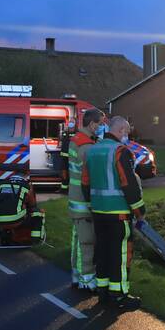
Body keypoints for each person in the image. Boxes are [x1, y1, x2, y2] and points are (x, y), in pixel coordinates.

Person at [81, 116, 144, 310]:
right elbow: (129, 184)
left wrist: (92, 204)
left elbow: (85, 183)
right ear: (122, 131)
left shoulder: (92, 150)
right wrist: (140, 211)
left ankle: (103, 291)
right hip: (119, 213)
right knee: (120, 254)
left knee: (102, 252)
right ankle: (119, 295)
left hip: (98, 212)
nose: (128, 136)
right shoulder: (120, 151)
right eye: (127, 132)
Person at [66, 108, 104, 291]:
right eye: (100, 123)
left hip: (75, 199)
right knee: (87, 241)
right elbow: (91, 175)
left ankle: (76, 275)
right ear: (92, 124)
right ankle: (87, 280)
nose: (101, 127)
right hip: (83, 201)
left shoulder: (77, 140)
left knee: (77, 240)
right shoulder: (86, 146)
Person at [0, 174, 45, 244]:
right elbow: (32, 205)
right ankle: (36, 240)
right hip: (16, 220)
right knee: (38, 213)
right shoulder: (25, 186)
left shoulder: (1, 186)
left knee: (5, 211)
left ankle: (0, 232)